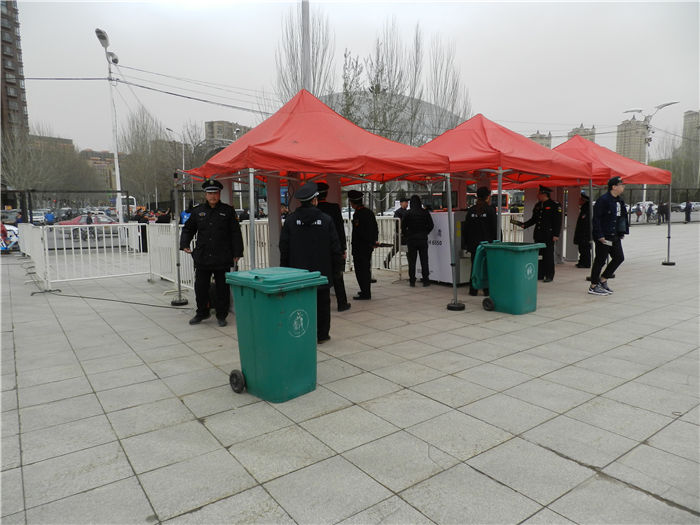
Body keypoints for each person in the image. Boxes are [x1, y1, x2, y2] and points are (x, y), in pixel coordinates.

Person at [280, 183, 344, 343]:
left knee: (299, 305)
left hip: (297, 274)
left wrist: (285, 269)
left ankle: (302, 334)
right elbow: (335, 248)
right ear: (315, 200)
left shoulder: (290, 221)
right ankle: (322, 335)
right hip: (321, 272)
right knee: (322, 304)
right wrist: (337, 269)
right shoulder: (326, 220)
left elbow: (284, 247)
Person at [180, 179, 244, 326]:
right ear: (205, 195)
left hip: (222, 256)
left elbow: (235, 233)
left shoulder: (228, 211)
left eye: (215, 193)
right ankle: (202, 312)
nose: (213, 196)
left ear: (219, 194)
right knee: (200, 287)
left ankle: (221, 315)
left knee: (222, 288)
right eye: (210, 193)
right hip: (203, 256)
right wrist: (184, 244)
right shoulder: (198, 211)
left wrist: (237, 252)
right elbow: (188, 229)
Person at [511, 185, 562, 282]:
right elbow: (534, 219)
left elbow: (557, 221)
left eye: (539, 194)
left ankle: (549, 275)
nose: (537, 195)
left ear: (544, 194)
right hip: (539, 234)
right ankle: (540, 274)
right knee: (539, 255)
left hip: (548, 235)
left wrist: (556, 234)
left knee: (548, 255)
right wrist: (525, 225)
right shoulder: (538, 205)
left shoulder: (554, 205)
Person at [588, 176, 628, 296]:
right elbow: (596, 219)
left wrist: (621, 231)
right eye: (621, 185)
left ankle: (603, 279)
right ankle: (593, 285)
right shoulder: (603, 200)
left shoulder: (619, 201)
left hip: (614, 236)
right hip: (604, 237)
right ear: (614, 187)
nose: (623, 187)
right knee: (600, 260)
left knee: (619, 257)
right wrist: (600, 235)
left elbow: (621, 217)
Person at [316, 182, 351, 312]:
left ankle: (318, 305)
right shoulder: (334, 208)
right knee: (337, 276)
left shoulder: (314, 210)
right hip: (334, 248)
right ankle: (342, 303)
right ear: (327, 193)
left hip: (318, 249)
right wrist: (343, 248)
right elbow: (340, 229)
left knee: (318, 276)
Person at [462, 186, 497, 295]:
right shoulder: (490, 210)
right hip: (487, 245)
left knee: (475, 266)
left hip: (473, 245)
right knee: (486, 267)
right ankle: (486, 290)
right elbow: (495, 228)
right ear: (487, 197)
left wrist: (466, 244)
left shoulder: (471, 210)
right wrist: (497, 242)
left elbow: (465, 229)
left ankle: (473, 289)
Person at [348, 189, 378, 300]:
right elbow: (375, 228)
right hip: (368, 247)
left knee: (361, 271)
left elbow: (359, 233)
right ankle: (365, 290)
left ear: (353, 203)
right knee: (366, 269)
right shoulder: (369, 212)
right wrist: (373, 241)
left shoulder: (358, 214)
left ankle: (365, 293)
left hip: (360, 248)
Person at [401, 195, 434, 287]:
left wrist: (407, 235)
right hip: (422, 239)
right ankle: (426, 280)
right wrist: (425, 232)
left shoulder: (407, 213)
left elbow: (403, 226)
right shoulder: (425, 212)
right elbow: (431, 225)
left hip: (411, 239)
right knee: (424, 260)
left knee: (412, 261)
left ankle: (412, 280)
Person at [383, 197, 408, 269]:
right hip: (399, 234)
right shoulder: (397, 212)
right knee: (395, 249)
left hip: (406, 234)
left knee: (408, 249)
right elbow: (397, 222)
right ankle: (386, 261)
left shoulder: (407, 211)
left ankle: (411, 264)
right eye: (405, 202)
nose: (406, 204)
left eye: (407, 202)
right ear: (401, 203)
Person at [573, 192, 592, 268]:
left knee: (585, 249)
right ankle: (582, 261)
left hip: (585, 234)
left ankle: (586, 263)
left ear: (583, 200)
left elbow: (586, 223)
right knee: (582, 248)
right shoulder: (584, 209)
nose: (578, 201)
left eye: (580, 199)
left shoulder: (587, 210)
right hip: (583, 234)